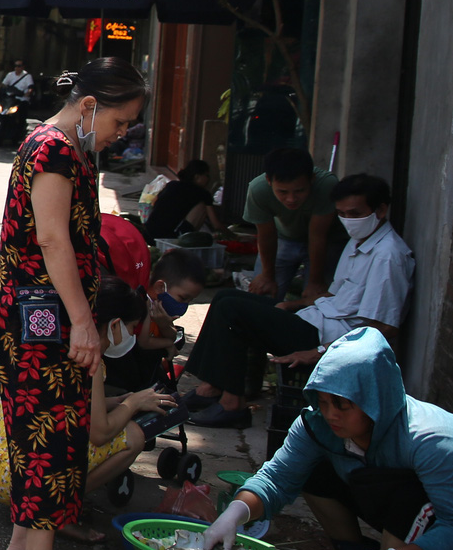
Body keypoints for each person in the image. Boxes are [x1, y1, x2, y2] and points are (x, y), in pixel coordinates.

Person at [204, 328, 453, 550]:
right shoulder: (317, 425)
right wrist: (235, 513)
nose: (330, 414)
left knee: (407, 497)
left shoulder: (434, 441)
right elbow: (278, 476)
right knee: (314, 471)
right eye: (323, 401)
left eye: (342, 405)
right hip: (411, 513)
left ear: (375, 398)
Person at [0, 56, 149, 550]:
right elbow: (54, 241)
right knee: (48, 436)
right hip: (43, 315)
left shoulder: (69, 148)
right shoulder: (55, 149)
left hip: (46, 311)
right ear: (89, 106)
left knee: (51, 431)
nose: (122, 132)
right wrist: (84, 321)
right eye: (120, 121)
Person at [184, 173, 414, 428]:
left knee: (232, 310)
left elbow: (383, 328)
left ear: (380, 210)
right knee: (226, 296)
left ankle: (232, 403)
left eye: (355, 213)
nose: (348, 221)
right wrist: (292, 305)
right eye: (342, 214)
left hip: (328, 338)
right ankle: (211, 386)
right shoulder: (359, 241)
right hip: (316, 318)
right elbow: (335, 295)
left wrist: (317, 352)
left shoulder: (388, 256)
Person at [0, 277, 184, 540]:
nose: (133, 336)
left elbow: (73, 404)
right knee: (134, 436)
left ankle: (51, 510)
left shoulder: (54, 339)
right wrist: (133, 404)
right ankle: (56, 514)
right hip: (22, 487)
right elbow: (100, 433)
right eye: (132, 328)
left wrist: (123, 400)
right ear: (114, 326)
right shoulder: (91, 357)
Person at [243, 147, 343, 302]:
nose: (291, 199)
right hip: (284, 239)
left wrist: (315, 282)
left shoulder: (327, 185)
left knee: (320, 299)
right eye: (283, 192)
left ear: (312, 179)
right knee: (262, 295)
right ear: (269, 181)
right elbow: (266, 235)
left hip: (326, 243)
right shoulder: (258, 190)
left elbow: (318, 236)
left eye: (299, 191)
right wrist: (267, 276)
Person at [142, 160, 226, 241]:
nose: (209, 179)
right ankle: (185, 240)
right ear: (197, 177)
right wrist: (233, 236)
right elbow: (216, 225)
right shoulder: (203, 194)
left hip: (148, 233)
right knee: (202, 206)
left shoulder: (171, 185)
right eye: (207, 175)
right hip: (168, 239)